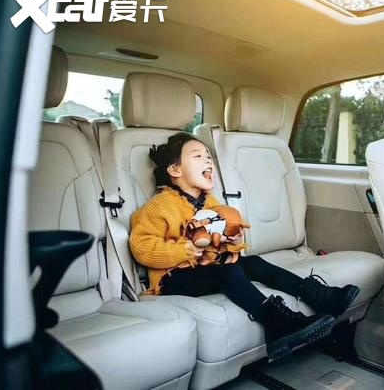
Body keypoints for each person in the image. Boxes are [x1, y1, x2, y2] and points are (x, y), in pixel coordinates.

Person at [129, 133, 360, 360]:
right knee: (227, 271)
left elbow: (219, 239)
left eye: (209, 156)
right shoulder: (159, 205)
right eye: (198, 156)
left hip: (207, 268)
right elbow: (141, 245)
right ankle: (277, 323)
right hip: (173, 278)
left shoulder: (211, 203)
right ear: (175, 170)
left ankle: (319, 295)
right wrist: (182, 250)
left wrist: (232, 242)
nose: (208, 161)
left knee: (253, 263)